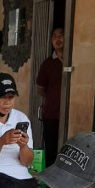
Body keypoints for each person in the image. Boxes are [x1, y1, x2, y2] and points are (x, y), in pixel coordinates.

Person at [35, 26, 64, 167]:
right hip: (52, 114)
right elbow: (40, 89)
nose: (58, 39)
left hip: (70, 114)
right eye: (54, 36)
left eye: (61, 35)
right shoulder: (47, 64)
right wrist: (54, 97)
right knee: (51, 150)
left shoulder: (74, 59)